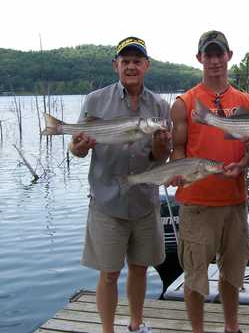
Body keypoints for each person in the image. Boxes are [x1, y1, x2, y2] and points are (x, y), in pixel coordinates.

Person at [69, 37, 171, 333]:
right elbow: (76, 150)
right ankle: (107, 330)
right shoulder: (95, 100)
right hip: (106, 201)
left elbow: (160, 159)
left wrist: (161, 146)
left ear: (146, 66)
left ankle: (136, 325)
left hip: (144, 200)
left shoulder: (159, 106)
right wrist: (80, 146)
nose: (130, 66)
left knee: (139, 270)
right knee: (109, 274)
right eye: (125, 61)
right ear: (116, 65)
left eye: (136, 61)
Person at [168, 30, 249, 333]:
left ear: (229, 56)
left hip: (235, 201)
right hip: (196, 204)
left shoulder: (247, 102)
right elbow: (178, 147)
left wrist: (244, 163)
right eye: (209, 54)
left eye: (220, 54)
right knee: (194, 276)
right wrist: (177, 169)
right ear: (199, 59)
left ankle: (232, 328)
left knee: (233, 273)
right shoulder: (185, 103)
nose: (215, 60)